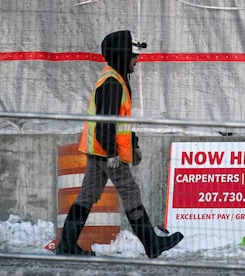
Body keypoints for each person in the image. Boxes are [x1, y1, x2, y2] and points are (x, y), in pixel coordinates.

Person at [55, 30, 184, 258]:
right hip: (107, 152)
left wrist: (132, 143)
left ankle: (66, 246)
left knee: (87, 196)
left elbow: (121, 119)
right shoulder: (113, 83)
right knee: (130, 193)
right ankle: (151, 245)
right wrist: (113, 153)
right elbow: (106, 123)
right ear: (123, 55)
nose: (137, 59)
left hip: (99, 150)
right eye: (134, 55)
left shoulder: (115, 78)